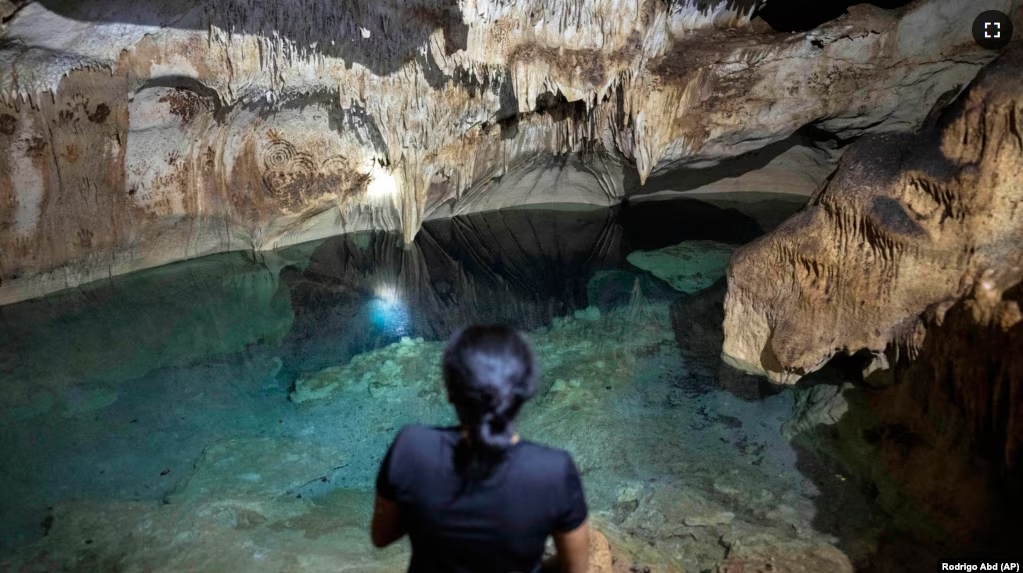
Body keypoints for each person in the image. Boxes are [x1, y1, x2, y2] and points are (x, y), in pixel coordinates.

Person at [371, 324, 590, 573]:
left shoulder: (411, 447)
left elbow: (382, 536)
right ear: (524, 391)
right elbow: (575, 569)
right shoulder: (553, 471)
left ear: (451, 390)